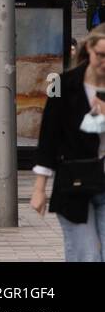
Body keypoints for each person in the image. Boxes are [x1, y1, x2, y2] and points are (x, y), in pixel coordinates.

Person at [31, 28, 105, 261]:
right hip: (74, 182)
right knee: (87, 255)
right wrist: (39, 189)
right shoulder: (63, 84)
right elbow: (49, 137)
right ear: (89, 50)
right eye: (101, 55)